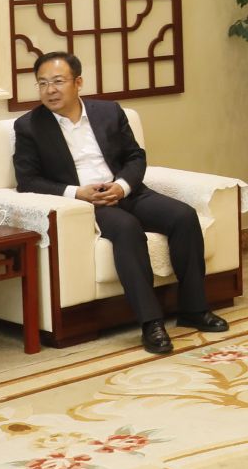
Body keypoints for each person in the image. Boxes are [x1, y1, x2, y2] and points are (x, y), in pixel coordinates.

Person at [13, 51, 228, 356]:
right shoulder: (29, 126)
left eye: (58, 81)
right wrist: (77, 193)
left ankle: (194, 309)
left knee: (183, 216)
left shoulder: (109, 112)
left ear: (78, 82)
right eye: (42, 83)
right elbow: (28, 180)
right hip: (88, 204)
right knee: (127, 229)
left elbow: (135, 157)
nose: (50, 90)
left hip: (126, 191)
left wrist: (122, 186)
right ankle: (151, 323)